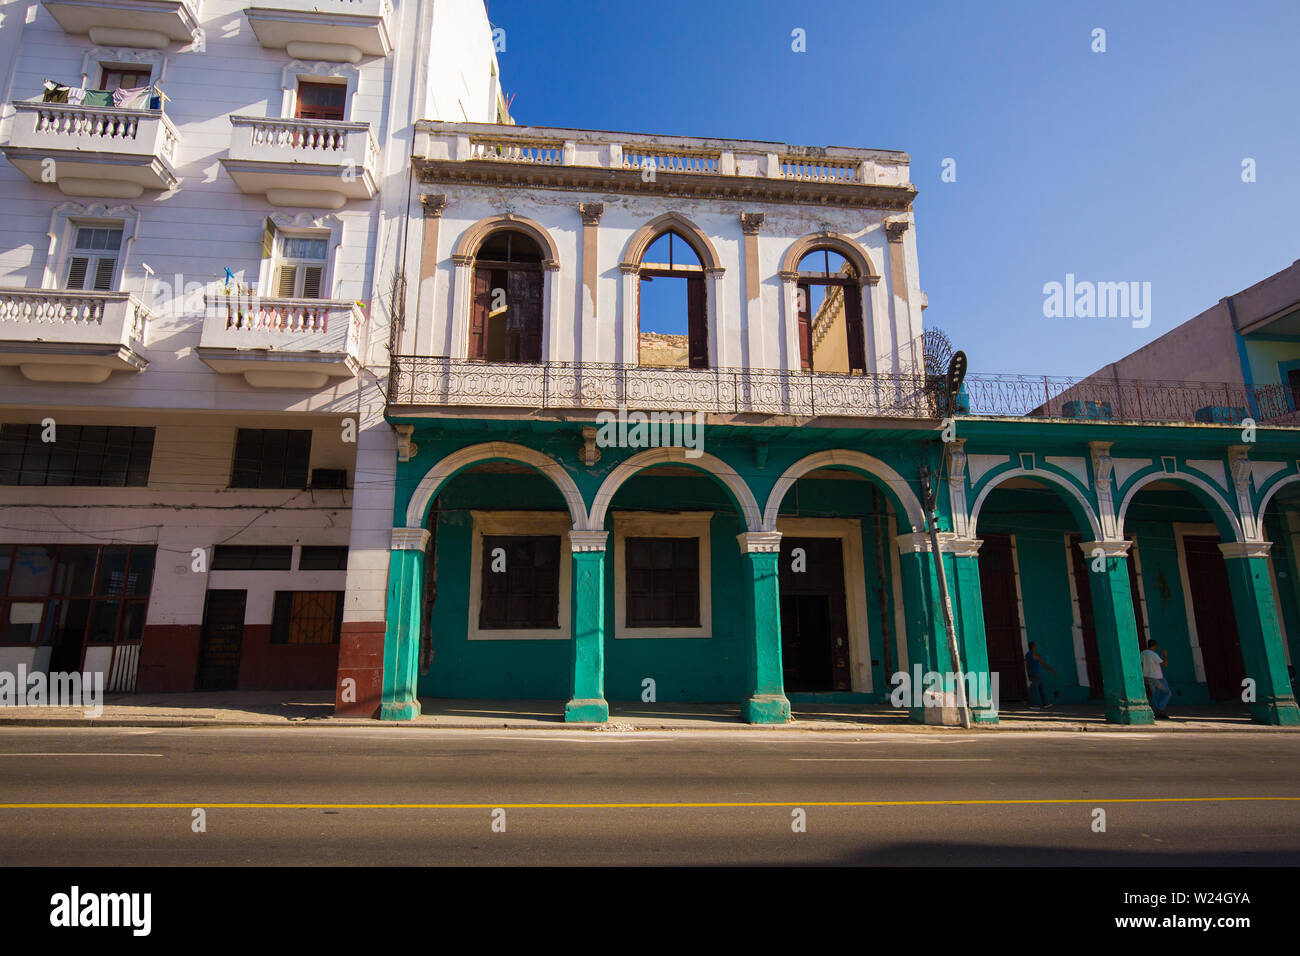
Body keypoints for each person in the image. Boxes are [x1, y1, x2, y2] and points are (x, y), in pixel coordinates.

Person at [1141, 639, 1172, 718]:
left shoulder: (1143, 653)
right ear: (1154, 646)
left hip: (1149, 677)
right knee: (1168, 693)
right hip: (1157, 677)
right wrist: (1165, 655)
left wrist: (1144, 677)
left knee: (1155, 694)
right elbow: (1165, 664)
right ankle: (1160, 709)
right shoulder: (1153, 654)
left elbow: (1140, 664)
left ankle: (1155, 712)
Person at [1024, 641, 1056, 708]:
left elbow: (1027, 666)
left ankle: (1045, 704)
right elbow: (1044, 665)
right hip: (1036, 674)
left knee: (1041, 688)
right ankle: (1031, 704)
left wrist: (1028, 674)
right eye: (1035, 646)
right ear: (1033, 647)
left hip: (1031, 673)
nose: (1036, 647)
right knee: (1033, 689)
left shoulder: (1027, 655)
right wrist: (1052, 670)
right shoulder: (1036, 655)